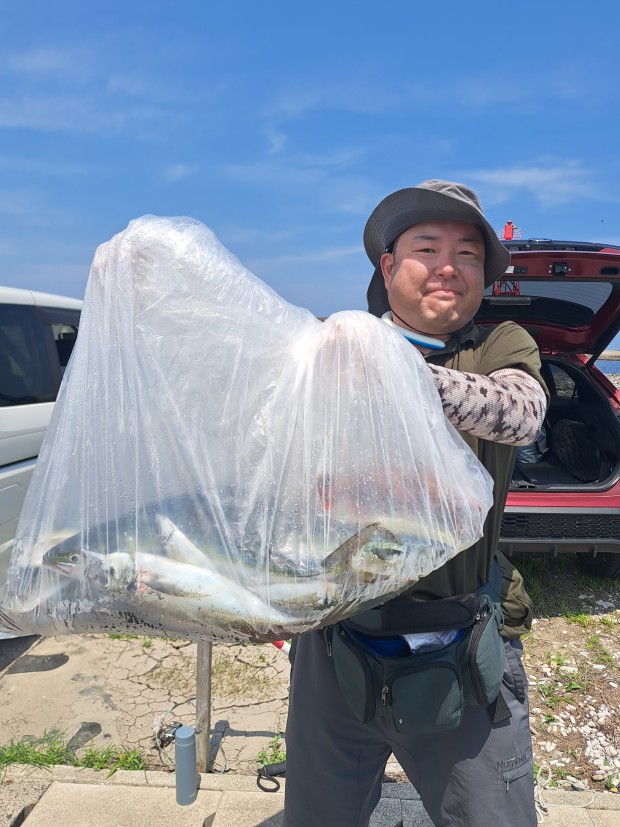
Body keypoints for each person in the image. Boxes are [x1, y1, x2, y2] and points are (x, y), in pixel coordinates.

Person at [283, 180, 549, 827]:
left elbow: (521, 413)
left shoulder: (499, 345)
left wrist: (398, 372)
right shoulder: (332, 351)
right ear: (388, 266)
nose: (448, 266)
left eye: (468, 253)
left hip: (461, 635)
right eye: (427, 248)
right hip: (336, 641)